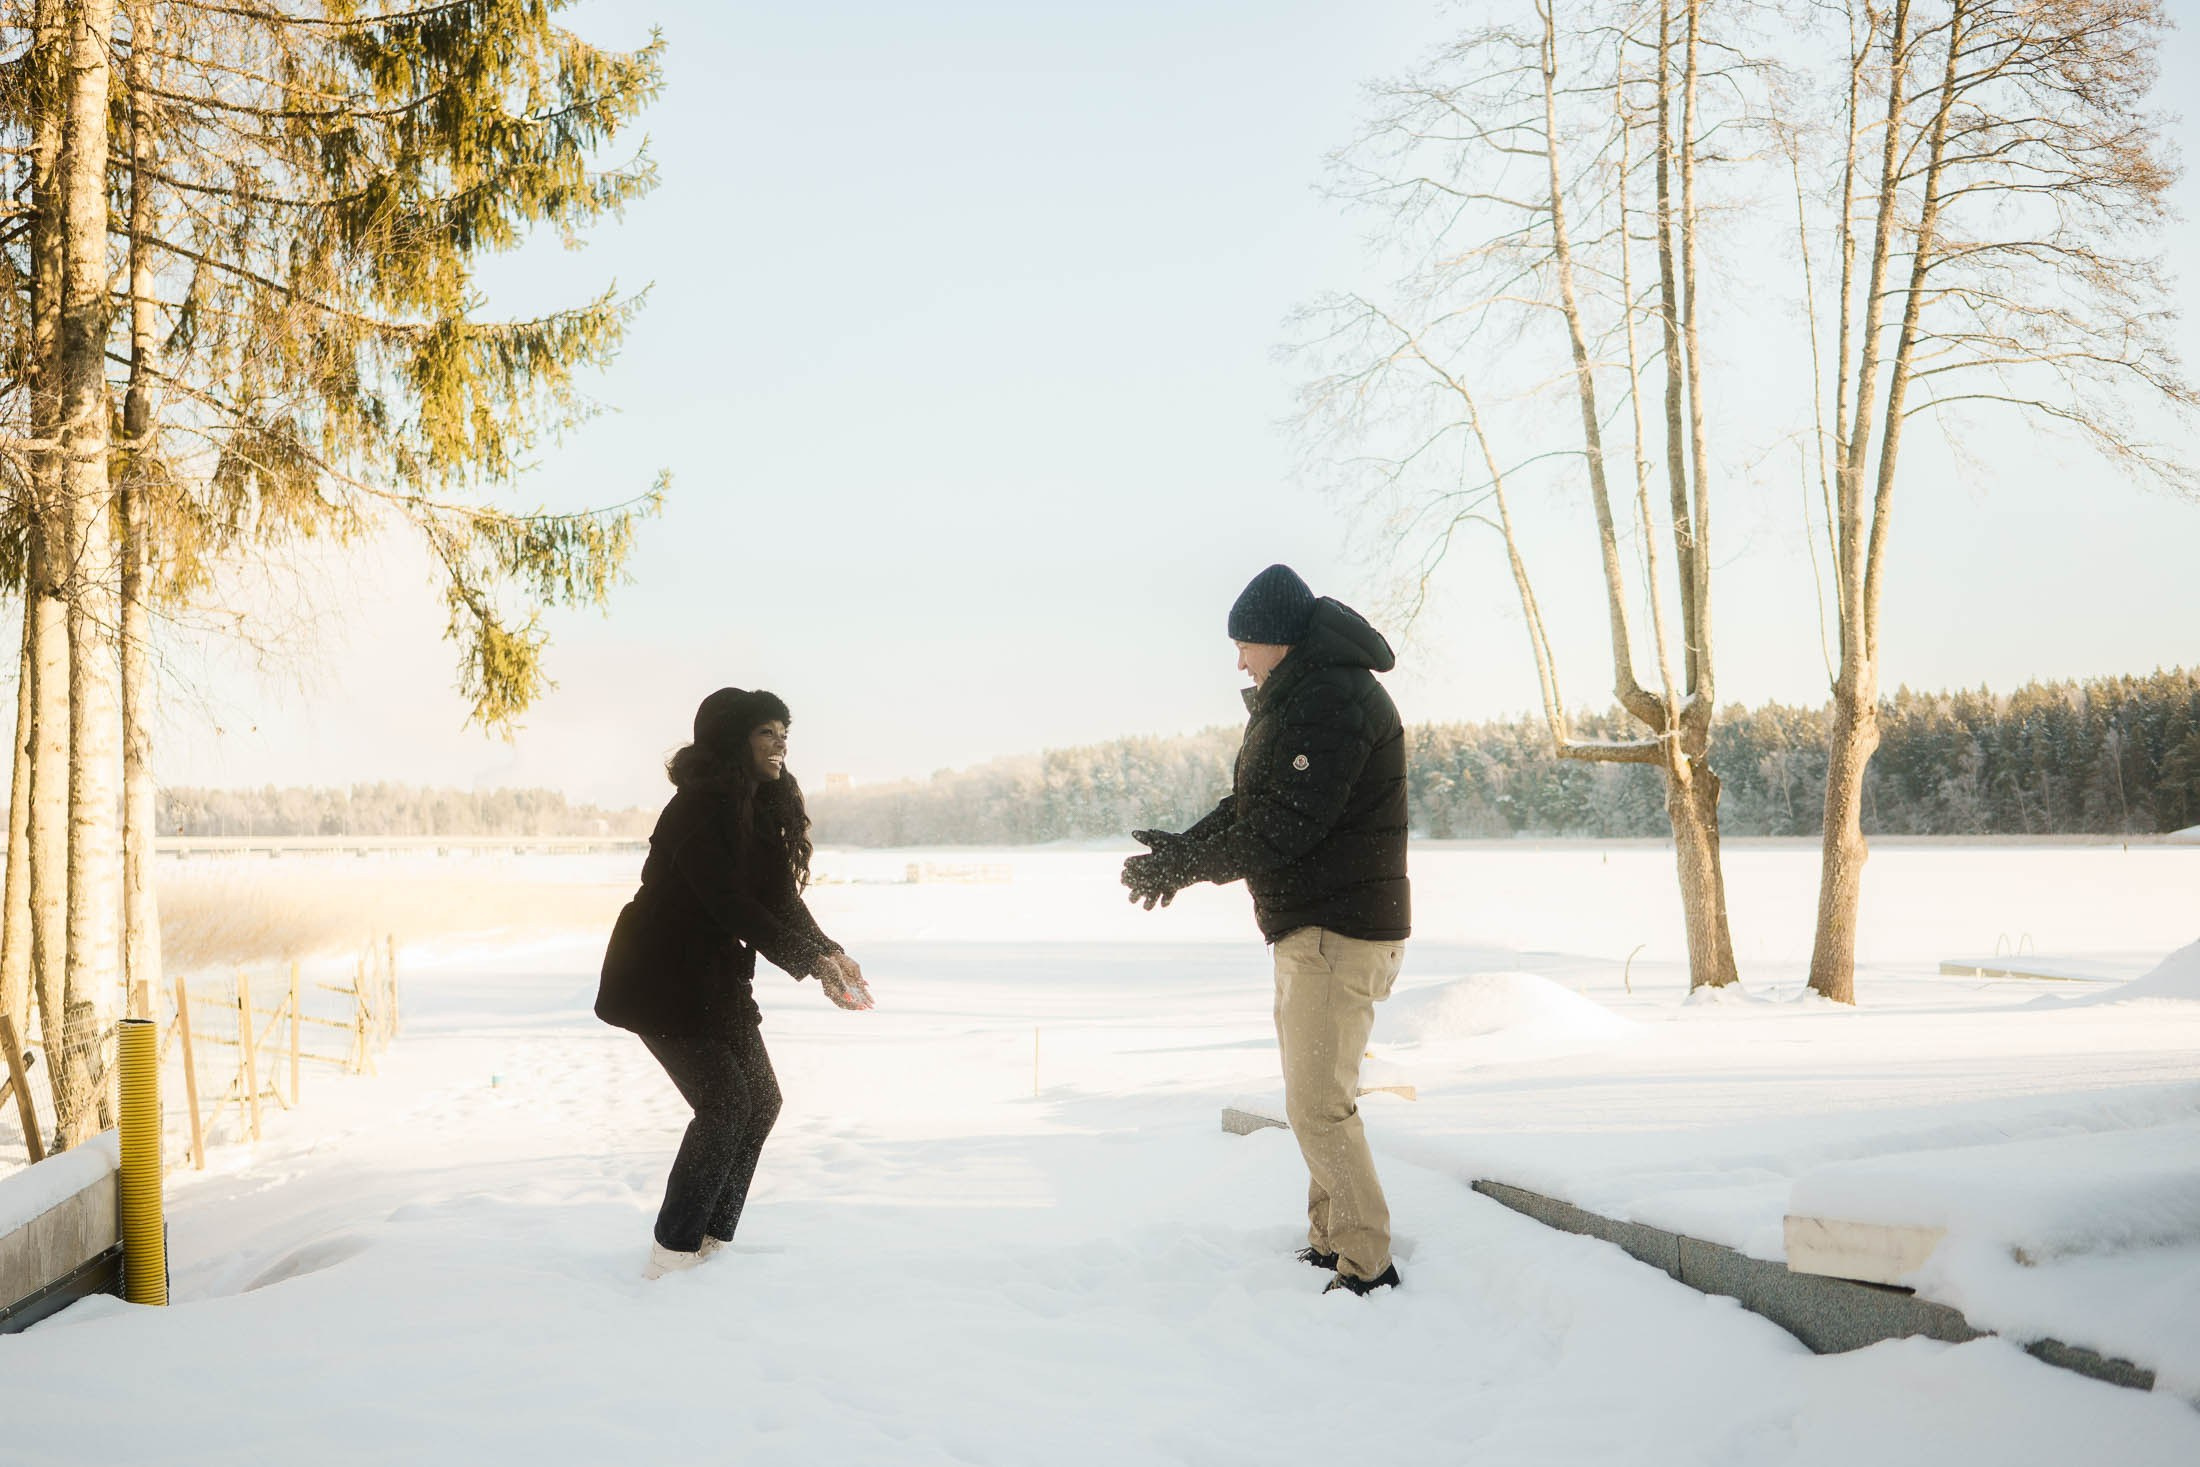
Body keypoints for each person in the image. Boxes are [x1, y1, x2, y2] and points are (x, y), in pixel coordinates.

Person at [1122, 564, 1410, 1295]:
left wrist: (1189, 868)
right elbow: (1254, 803)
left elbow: (1285, 827)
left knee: (1319, 1102)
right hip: (1314, 927)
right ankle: (1331, 1235)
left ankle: (1366, 1261)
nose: (1239, 660)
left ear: (1278, 639)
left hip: (1338, 929)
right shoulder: (1301, 697)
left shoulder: (1332, 699)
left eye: (1244, 644)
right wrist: (1184, 849)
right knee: (1310, 1098)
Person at [597, 687, 874, 1279]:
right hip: (659, 980)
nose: (780, 745)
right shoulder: (696, 809)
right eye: (765, 733)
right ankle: (672, 1252)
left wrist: (829, 952)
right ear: (732, 739)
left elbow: (776, 898)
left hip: (715, 981)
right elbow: (728, 904)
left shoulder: (759, 805)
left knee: (761, 1101)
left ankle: (711, 1245)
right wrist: (812, 964)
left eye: (783, 732)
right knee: (725, 1104)